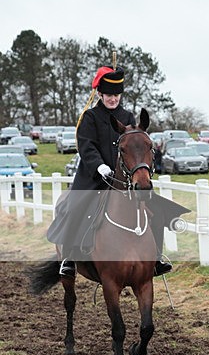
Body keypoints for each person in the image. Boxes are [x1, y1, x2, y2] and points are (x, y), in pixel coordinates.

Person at [51, 65, 173, 278]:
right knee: (75, 207)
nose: (113, 99)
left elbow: (135, 146)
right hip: (93, 177)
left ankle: (155, 258)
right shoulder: (90, 117)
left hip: (124, 178)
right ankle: (68, 258)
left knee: (156, 209)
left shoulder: (127, 116)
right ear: (100, 94)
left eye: (116, 95)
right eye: (109, 95)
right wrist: (100, 166)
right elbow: (86, 146)